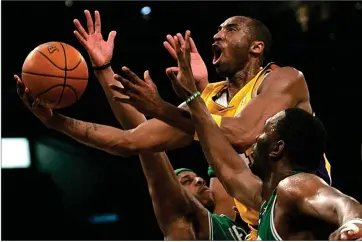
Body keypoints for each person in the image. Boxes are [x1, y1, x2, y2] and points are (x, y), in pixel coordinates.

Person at [14, 11, 331, 239]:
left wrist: (165, 107)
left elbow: (243, 132)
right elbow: (132, 141)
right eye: (217, 30)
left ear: (256, 47)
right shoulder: (207, 99)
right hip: (258, 222)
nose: (217, 34)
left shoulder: (284, 78)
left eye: (230, 29)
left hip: (306, 211)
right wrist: (58, 119)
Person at [163, 41, 362, 239]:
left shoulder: (294, 186)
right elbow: (228, 167)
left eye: (263, 134)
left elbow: (341, 203)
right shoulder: (264, 200)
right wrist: (191, 98)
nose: (255, 139)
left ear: (277, 149)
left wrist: (353, 222)